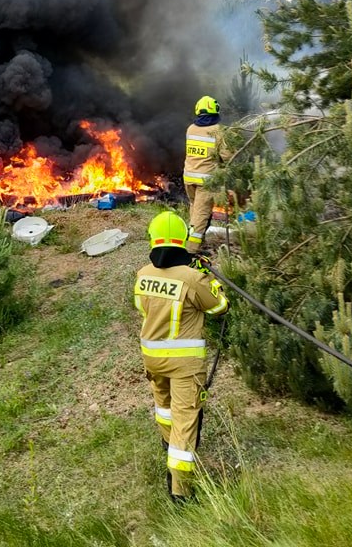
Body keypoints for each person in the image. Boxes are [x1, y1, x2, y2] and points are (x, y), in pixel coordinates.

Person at [134, 210, 229, 503]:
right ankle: (181, 492)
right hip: (184, 364)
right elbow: (218, 307)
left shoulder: (142, 274)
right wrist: (207, 278)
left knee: (163, 408)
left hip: (151, 357)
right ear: (183, 241)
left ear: (153, 241)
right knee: (186, 423)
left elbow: (143, 308)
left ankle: (166, 443)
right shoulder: (191, 278)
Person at [183, 95, 228, 254]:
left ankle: (196, 241)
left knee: (195, 211)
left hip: (189, 178)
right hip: (206, 181)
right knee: (201, 216)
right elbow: (228, 156)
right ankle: (191, 251)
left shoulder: (191, 129)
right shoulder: (218, 131)